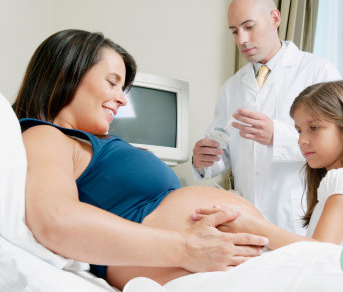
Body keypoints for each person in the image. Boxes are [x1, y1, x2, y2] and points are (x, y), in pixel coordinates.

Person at [13, 29, 270, 290]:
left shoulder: (87, 145)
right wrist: (188, 248)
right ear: (65, 75)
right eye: (112, 82)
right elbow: (56, 220)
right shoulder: (44, 135)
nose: (123, 99)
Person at [191, 0, 341, 235]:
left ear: (274, 19)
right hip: (246, 219)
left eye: (249, 27)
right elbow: (223, 150)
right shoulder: (232, 87)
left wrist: (277, 135)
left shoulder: (317, 71)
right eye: (234, 32)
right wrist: (203, 160)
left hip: (299, 218)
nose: (241, 39)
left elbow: (339, 144)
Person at [194, 80, 343, 253]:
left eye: (313, 128)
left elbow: (319, 252)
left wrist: (252, 225)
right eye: (299, 130)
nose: (302, 140)